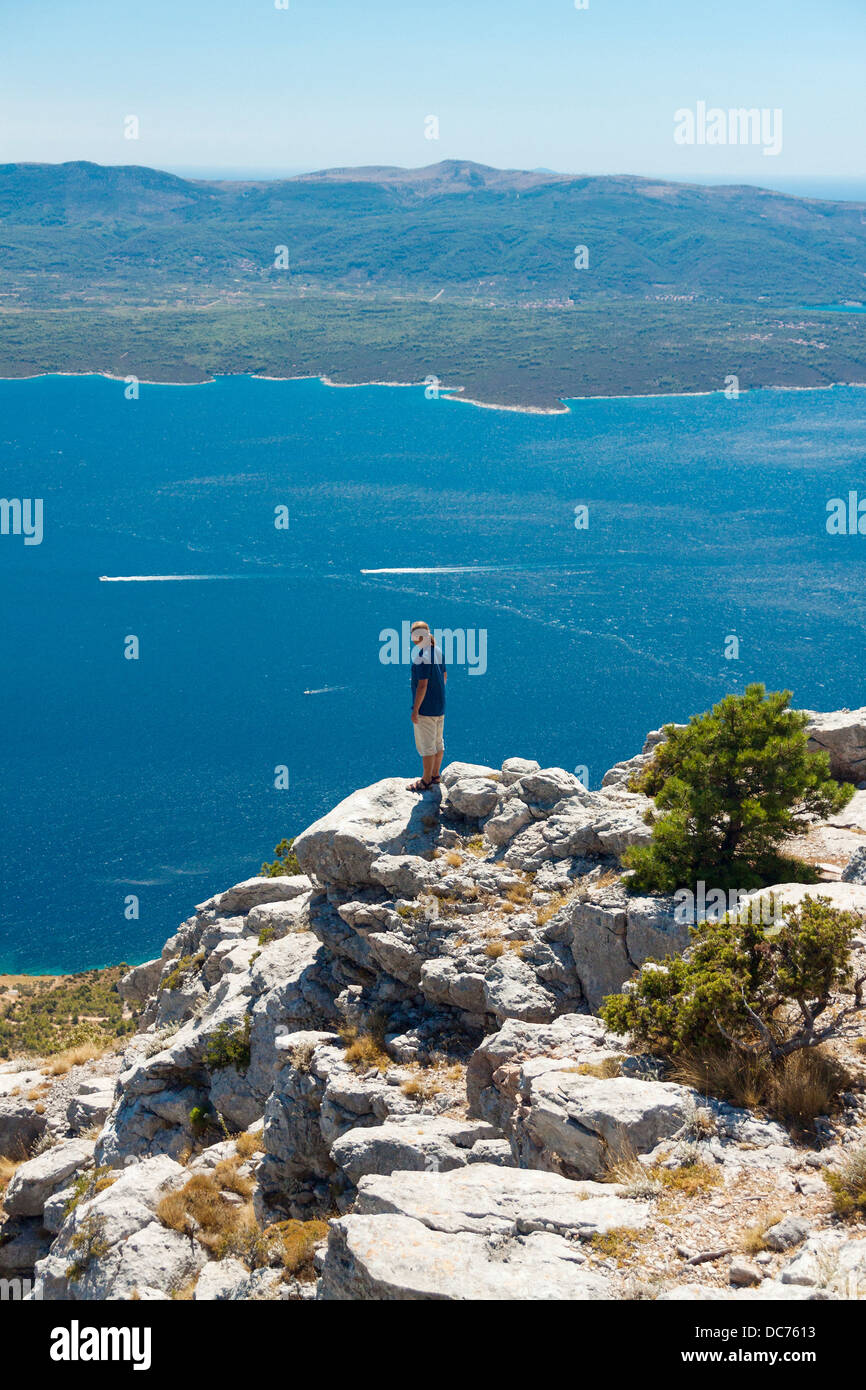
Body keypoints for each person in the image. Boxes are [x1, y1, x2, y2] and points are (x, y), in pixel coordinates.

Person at [407, 620, 446, 792]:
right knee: (438, 743)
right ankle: (436, 775)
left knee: (427, 747)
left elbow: (422, 685)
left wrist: (416, 710)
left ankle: (426, 780)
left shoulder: (421, 657)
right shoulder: (437, 651)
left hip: (426, 709)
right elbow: (444, 676)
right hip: (439, 706)